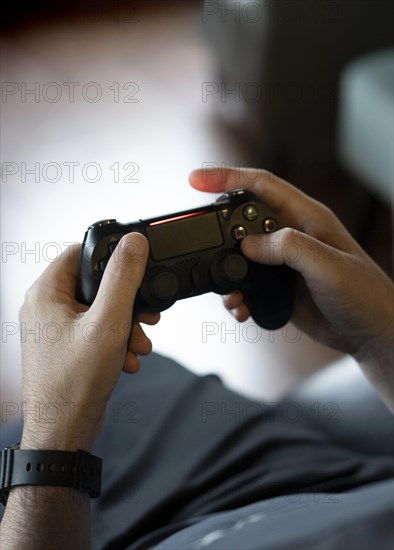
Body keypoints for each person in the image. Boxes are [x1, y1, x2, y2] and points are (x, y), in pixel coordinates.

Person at [0, 167, 393, 550]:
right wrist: (379, 333)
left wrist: (54, 436)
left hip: (152, 523)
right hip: (315, 480)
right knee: (135, 376)